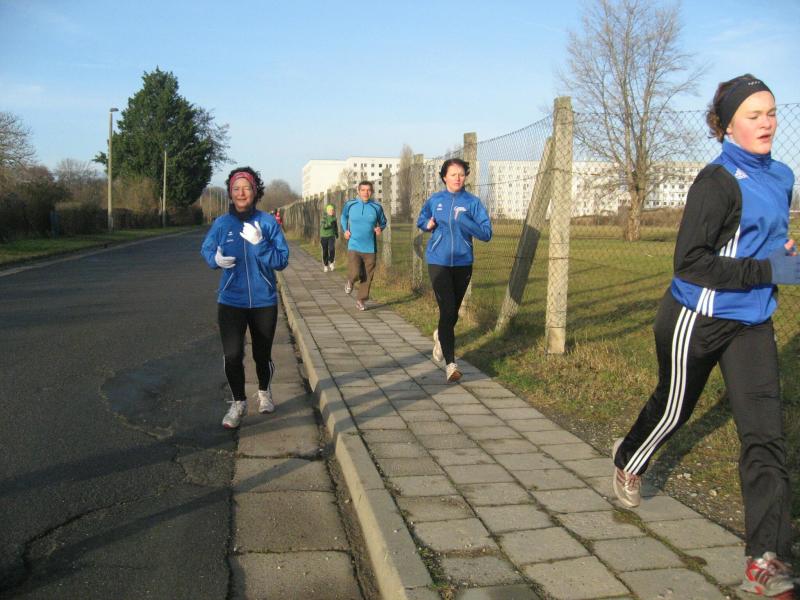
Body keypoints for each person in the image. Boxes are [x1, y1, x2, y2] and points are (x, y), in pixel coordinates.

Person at [612, 75, 799, 598]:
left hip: (752, 320)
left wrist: (781, 256)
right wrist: (769, 270)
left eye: (772, 112)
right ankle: (628, 460)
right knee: (675, 409)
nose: (767, 123)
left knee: (765, 435)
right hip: (697, 315)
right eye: (754, 115)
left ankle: (766, 559)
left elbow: (763, 240)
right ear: (727, 125)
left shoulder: (783, 175)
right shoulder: (715, 182)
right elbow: (691, 263)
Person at [201, 166, 290, 429]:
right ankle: (238, 403)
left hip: (264, 301)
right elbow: (207, 249)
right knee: (232, 355)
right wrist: (214, 259)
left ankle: (264, 391)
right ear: (230, 193)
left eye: (247, 188)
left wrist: (260, 244)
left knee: (262, 355)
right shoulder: (222, 224)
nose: (241, 193)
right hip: (231, 300)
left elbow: (282, 260)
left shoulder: (267, 223)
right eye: (236, 188)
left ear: (255, 191)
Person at [416, 158, 492, 382]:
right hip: (438, 260)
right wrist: (427, 225)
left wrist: (465, 220)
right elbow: (422, 219)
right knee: (448, 308)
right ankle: (451, 365)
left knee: (452, 313)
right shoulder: (435, 200)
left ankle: (441, 336)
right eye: (453, 174)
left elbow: (486, 233)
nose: (458, 178)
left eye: (461, 174)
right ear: (444, 177)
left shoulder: (473, 202)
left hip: (463, 262)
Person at [340, 181, 387, 310]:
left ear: (372, 192)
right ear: (358, 191)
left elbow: (383, 222)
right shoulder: (350, 205)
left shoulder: (376, 207)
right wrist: (345, 230)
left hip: (370, 248)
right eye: (363, 190)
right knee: (355, 272)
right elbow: (343, 217)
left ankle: (361, 300)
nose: (366, 193)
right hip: (354, 245)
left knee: (367, 276)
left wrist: (380, 228)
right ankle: (350, 281)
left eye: (368, 190)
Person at [320, 203, 338, 272]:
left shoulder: (334, 218)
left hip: (331, 236)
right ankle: (325, 265)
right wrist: (330, 224)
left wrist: (336, 233)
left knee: (332, 249)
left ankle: (331, 262)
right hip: (324, 236)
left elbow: (335, 226)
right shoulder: (324, 218)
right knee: (325, 251)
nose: (331, 211)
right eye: (330, 210)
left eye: (332, 210)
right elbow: (324, 226)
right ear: (327, 211)